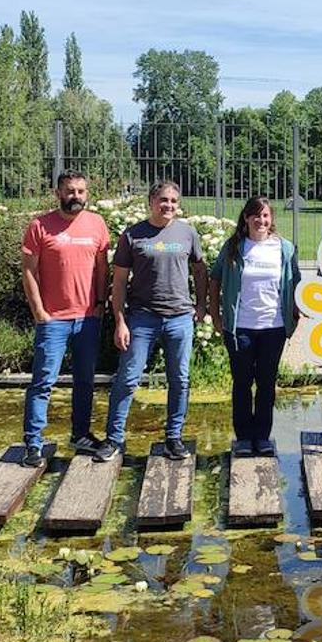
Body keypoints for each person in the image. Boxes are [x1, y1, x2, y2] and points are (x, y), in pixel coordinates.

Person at [95, 180, 207, 462]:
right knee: (127, 379)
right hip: (142, 318)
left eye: (173, 201)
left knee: (179, 380)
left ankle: (173, 437)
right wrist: (120, 321)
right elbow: (118, 282)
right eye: (163, 200)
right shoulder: (133, 235)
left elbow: (201, 271)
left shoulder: (188, 233)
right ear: (151, 202)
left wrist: (202, 304)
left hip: (180, 318)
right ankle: (114, 439)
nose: (168, 205)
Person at [19, 170, 110, 467]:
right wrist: (39, 312)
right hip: (53, 320)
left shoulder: (96, 224)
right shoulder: (40, 226)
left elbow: (102, 269)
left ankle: (80, 434)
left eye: (81, 191)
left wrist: (99, 304)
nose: (76, 197)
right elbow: (29, 272)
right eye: (70, 191)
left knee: (85, 381)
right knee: (43, 381)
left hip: (87, 318)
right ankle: (33, 442)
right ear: (58, 193)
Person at [209, 197, 301, 458]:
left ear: (271, 219)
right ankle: (244, 437)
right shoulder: (233, 248)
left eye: (266, 216)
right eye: (256, 216)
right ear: (246, 219)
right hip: (241, 328)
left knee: (266, 383)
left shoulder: (285, 249)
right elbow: (215, 281)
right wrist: (216, 316)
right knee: (241, 383)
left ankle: (262, 436)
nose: (261, 221)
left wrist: (295, 311)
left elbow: (296, 283)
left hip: (273, 327)